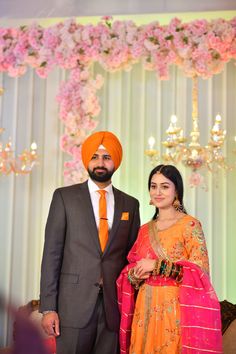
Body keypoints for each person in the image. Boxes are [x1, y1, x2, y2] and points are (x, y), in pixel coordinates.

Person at [39, 131, 140, 354]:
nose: (100, 163)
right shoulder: (64, 197)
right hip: (72, 306)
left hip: (113, 309)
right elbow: (51, 254)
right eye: (94, 157)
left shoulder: (130, 205)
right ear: (87, 160)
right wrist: (48, 308)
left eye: (106, 157)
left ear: (115, 161)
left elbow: (131, 259)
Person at [117, 164, 223, 354]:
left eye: (165, 186)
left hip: (173, 310)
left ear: (176, 191)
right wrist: (134, 275)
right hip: (144, 311)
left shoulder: (189, 225)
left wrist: (157, 266)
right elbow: (131, 272)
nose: (158, 192)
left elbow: (200, 274)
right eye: (153, 186)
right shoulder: (144, 230)